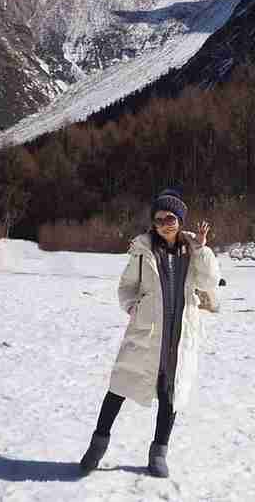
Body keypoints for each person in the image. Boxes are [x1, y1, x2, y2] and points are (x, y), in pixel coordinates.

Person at [79, 186, 220, 478]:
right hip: (146, 332)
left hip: (178, 336)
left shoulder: (193, 251)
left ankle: (159, 452)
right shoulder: (142, 251)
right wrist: (135, 308)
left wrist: (203, 248)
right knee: (119, 386)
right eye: (158, 219)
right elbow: (126, 288)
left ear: (180, 221)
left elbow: (209, 283)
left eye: (170, 218)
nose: (164, 224)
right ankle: (97, 445)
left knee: (171, 395)